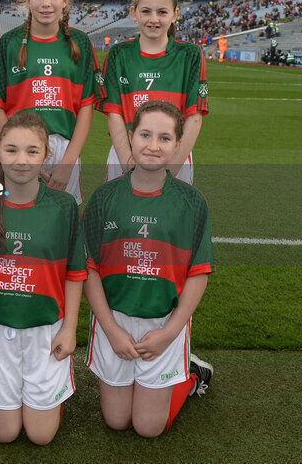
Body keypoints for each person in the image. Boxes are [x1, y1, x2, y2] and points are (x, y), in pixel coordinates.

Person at [81, 100, 214, 438]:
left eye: (165, 138)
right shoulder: (104, 198)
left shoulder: (192, 202)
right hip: (115, 322)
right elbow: (89, 268)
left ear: (178, 145)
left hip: (164, 323)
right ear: (129, 137)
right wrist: (111, 330)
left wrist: (170, 334)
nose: (153, 146)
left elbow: (199, 273)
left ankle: (191, 376)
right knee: (117, 421)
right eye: (145, 135)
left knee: (148, 428)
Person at [0, 112, 86, 445]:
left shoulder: (63, 207)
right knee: (5, 434)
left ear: (47, 155)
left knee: (41, 436)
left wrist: (70, 328)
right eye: (12, 150)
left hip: (45, 329)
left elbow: (75, 274)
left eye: (32, 151)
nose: (21, 160)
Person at [0, 0, 97, 204]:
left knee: (62, 223)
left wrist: (68, 163)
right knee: (8, 221)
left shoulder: (80, 43)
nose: (45, 3)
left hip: (64, 151)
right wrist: (15, 153)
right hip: (16, 147)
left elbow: (86, 107)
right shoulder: (9, 43)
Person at [97, 0, 208, 184]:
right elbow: (114, 113)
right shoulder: (118, 54)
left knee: (172, 216)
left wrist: (171, 169)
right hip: (125, 156)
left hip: (175, 159)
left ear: (175, 14)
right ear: (134, 13)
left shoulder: (191, 55)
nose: (153, 19)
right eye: (146, 11)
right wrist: (127, 161)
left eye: (162, 12)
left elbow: (194, 116)